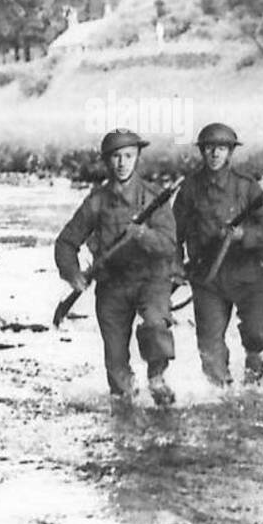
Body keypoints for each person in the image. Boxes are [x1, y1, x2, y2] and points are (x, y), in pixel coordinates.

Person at [54, 129, 178, 407]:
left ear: (137, 158)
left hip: (151, 281)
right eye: (115, 157)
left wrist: (144, 235)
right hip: (112, 285)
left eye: (128, 156)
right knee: (116, 363)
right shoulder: (97, 201)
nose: (122, 163)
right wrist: (73, 274)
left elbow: (169, 245)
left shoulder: (153, 198)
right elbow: (65, 242)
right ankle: (125, 415)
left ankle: (157, 379)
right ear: (106, 161)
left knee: (156, 325)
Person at [173, 123, 263, 386]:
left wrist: (244, 235)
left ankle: (254, 374)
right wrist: (176, 269)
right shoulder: (189, 189)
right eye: (209, 148)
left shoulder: (247, 187)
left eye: (221, 148)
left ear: (230, 152)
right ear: (202, 152)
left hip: (248, 275)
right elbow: (173, 234)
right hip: (208, 278)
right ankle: (221, 396)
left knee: (259, 334)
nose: (215, 154)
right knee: (210, 348)